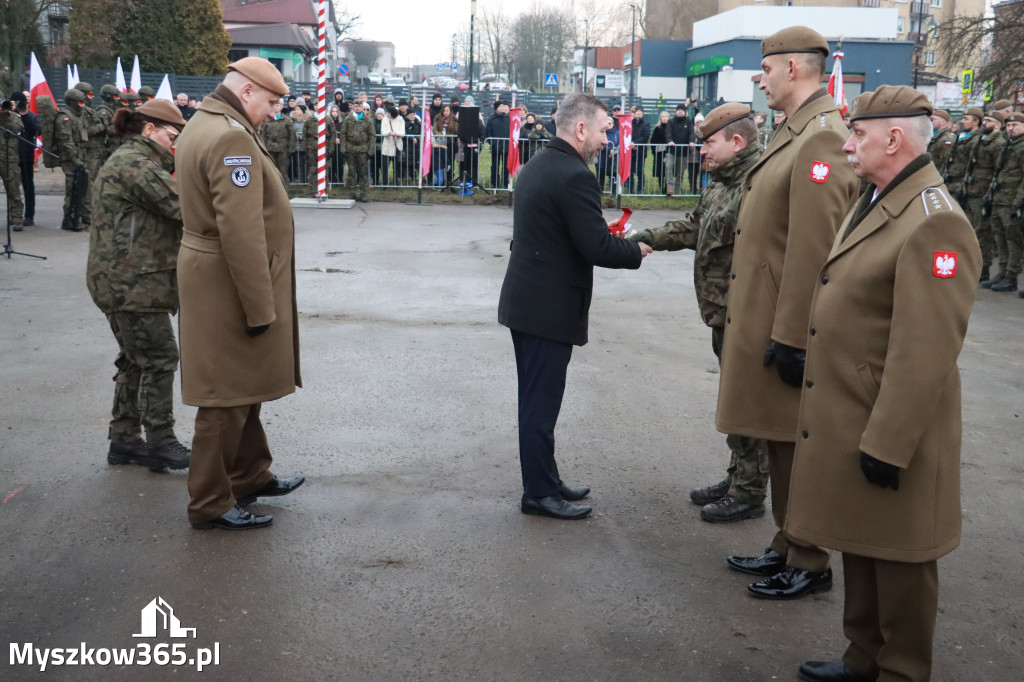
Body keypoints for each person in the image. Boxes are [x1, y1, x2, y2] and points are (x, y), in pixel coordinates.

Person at [788, 86, 981, 682]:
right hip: (856, 411)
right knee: (861, 540)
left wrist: (889, 442)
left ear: (893, 139)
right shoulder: (880, 199)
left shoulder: (935, 223)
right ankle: (862, 656)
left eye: (858, 135)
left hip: (889, 423)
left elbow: (926, 353)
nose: (846, 146)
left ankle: (900, 669)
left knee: (899, 558)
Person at [716, 26, 859, 600]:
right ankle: (786, 542)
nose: (760, 77)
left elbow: (812, 247)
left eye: (766, 68)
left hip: (788, 323)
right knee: (778, 438)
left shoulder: (821, 137)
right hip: (767, 315)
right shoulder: (795, 130)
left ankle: (809, 557)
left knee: (796, 444)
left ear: (794, 69)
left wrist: (795, 334)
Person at [497, 93, 653, 521]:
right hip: (546, 309)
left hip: (527, 302)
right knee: (540, 405)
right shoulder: (575, 175)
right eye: (605, 130)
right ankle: (539, 494)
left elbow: (559, 232)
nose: (608, 140)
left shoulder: (537, 165)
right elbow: (595, 246)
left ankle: (546, 480)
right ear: (580, 129)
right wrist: (636, 249)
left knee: (536, 400)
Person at [175, 57, 304, 531]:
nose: (273, 111)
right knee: (224, 398)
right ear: (247, 91)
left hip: (211, 274)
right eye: (270, 101)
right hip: (228, 283)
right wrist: (259, 306)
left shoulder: (204, 122)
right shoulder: (231, 137)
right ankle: (210, 500)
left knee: (242, 386)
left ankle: (249, 474)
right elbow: (241, 232)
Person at [629, 103, 770, 523]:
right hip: (721, 314)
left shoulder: (758, 186)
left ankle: (749, 491)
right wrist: (642, 237)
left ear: (737, 141)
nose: (702, 151)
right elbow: (693, 227)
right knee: (734, 399)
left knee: (746, 402)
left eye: (709, 143)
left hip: (746, 315)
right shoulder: (721, 183)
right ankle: (737, 477)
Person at [86, 99, 192, 472]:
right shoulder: (136, 165)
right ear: (149, 130)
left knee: (135, 358)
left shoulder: (133, 160)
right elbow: (186, 205)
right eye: (171, 136)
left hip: (123, 280)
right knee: (160, 358)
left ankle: (125, 440)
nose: (174, 145)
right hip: (133, 283)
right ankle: (161, 441)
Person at [985, 112, 1024, 293]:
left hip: (1012, 201)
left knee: (1013, 239)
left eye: (1015, 125)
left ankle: (1011, 275)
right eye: (1008, 126)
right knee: (1000, 238)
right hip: (999, 198)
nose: (1010, 128)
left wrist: (1019, 200)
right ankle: (1002, 271)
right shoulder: (1007, 145)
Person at [967, 112, 1007, 287]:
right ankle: (975, 268)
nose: (984, 123)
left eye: (989, 121)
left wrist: (990, 192)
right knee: (974, 230)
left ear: (998, 125)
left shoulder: (998, 144)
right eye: (984, 120)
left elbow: (998, 170)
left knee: (983, 233)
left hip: (986, 193)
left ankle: (983, 270)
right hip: (973, 190)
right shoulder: (981, 140)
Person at [54, 88, 90, 231]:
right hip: (70, 160)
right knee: (72, 189)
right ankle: (68, 220)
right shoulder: (64, 118)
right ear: (72, 102)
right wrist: (76, 160)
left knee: (80, 189)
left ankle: (76, 218)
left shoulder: (78, 116)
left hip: (80, 157)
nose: (82, 105)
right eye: (80, 102)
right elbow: (66, 142)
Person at [338, 99, 375, 202]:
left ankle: (363, 194)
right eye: (356, 106)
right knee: (351, 172)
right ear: (353, 107)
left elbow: (372, 136)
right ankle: (351, 193)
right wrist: (343, 148)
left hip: (363, 149)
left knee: (362, 173)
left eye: (359, 106)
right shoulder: (348, 119)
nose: (357, 107)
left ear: (363, 108)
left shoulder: (367, 120)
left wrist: (370, 150)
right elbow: (343, 134)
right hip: (351, 149)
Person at [945, 108, 981, 209]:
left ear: (975, 122)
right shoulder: (960, 137)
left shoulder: (977, 140)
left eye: (966, 119)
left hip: (963, 186)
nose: (962, 121)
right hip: (951, 183)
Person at [0, 98, 25, 230]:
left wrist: (7, 115)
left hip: (9, 158)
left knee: (13, 187)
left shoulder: (14, 116)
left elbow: (18, 128)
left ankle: (16, 217)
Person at [12, 93, 37, 227]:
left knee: (28, 186)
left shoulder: (32, 116)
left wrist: (24, 113)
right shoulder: (9, 116)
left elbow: (35, 131)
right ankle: (14, 214)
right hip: (11, 156)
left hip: (26, 156)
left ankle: (29, 216)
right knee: (12, 187)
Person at [303, 105, 336, 191]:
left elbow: (333, 134)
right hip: (312, 146)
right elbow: (305, 134)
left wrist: (331, 148)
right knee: (313, 169)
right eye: (316, 105)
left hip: (325, 146)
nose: (318, 107)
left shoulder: (328, 119)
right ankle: (313, 190)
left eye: (319, 104)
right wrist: (305, 148)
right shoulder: (309, 119)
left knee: (325, 170)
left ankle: (324, 190)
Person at [261, 99, 295, 182]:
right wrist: (263, 148)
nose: (275, 107)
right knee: (271, 171)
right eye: (274, 105)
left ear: (281, 107)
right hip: (270, 149)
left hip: (283, 149)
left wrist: (290, 149)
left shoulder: (287, 120)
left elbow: (292, 135)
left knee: (283, 171)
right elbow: (263, 135)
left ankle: (284, 191)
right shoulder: (267, 120)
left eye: (277, 105)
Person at [665, 103, 693, 195]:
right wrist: (670, 140)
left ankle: (677, 190)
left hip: (684, 152)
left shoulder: (689, 122)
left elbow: (691, 133)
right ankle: (670, 188)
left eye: (682, 110)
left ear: (685, 112)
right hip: (671, 151)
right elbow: (668, 132)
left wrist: (691, 141)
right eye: (678, 110)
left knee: (680, 172)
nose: (680, 111)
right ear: (676, 111)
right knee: (668, 168)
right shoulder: (671, 121)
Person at [485, 101, 510, 187]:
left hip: (506, 146)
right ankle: (495, 183)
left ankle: (505, 183)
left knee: (506, 166)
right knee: (495, 166)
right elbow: (488, 132)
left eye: (503, 106)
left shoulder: (508, 119)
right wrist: (493, 143)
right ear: (496, 108)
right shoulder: (491, 120)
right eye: (500, 106)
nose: (502, 108)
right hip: (495, 147)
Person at [379, 105, 404, 185]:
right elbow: (383, 132)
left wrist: (396, 133)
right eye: (387, 113)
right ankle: (384, 183)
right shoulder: (384, 119)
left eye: (389, 113)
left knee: (396, 166)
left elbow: (403, 133)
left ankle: (396, 183)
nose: (387, 114)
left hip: (397, 145)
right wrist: (389, 133)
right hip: (387, 146)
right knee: (384, 166)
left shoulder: (400, 119)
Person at [628, 106, 651, 194]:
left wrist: (635, 143)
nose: (639, 113)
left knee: (640, 171)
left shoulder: (646, 124)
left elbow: (645, 136)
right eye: (637, 111)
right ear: (635, 113)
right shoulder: (630, 123)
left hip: (641, 151)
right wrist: (631, 144)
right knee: (630, 170)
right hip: (631, 151)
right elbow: (627, 134)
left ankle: (640, 189)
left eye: (640, 112)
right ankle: (631, 188)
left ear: (643, 113)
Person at [432, 104, 456, 185]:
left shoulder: (454, 119)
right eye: (444, 111)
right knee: (440, 162)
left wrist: (448, 135)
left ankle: (449, 179)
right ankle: (439, 180)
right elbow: (434, 128)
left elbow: (456, 130)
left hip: (450, 143)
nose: (445, 113)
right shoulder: (438, 118)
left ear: (450, 111)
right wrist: (439, 134)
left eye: (447, 111)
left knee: (450, 162)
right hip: (440, 144)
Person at [650, 110, 670, 194]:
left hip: (669, 152)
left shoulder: (671, 128)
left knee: (668, 170)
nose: (664, 118)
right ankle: (661, 187)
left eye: (666, 116)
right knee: (660, 170)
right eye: (663, 116)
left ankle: (668, 187)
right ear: (660, 118)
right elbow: (653, 140)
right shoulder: (657, 128)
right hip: (659, 152)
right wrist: (654, 151)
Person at [329, 103, 345, 184]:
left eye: (336, 111)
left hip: (340, 146)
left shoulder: (342, 122)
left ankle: (340, 179)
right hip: (331, 146)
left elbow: (344, 133)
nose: (334, 113)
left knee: (340, 163)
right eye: (333, 111)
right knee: (332, 164)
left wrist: (340, 139)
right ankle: (332, 179)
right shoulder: (328, 122)